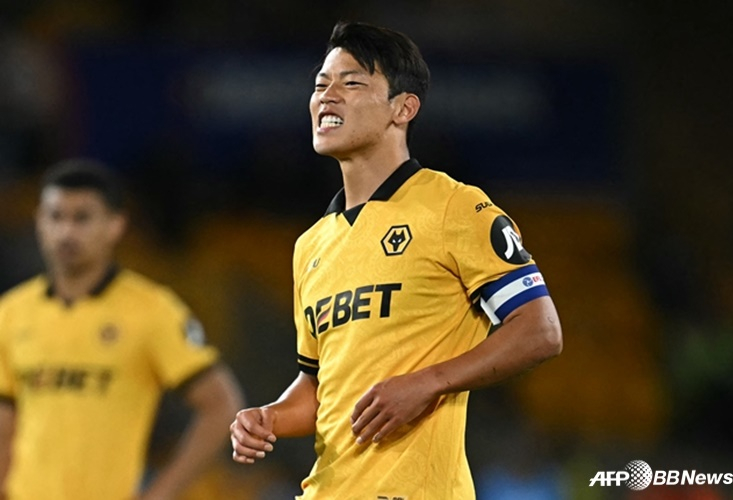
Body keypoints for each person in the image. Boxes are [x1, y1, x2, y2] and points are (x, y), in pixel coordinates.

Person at [230, 21, 563, 499]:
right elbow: (320, 387)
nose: (327, 96)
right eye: (321, 85)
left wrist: (428, 383)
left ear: (403, 108)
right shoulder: (311, 245)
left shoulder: (454, 207)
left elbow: (540, 330)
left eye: (351, 83)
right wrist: (270, 417)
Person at [0, 159, 245, 500]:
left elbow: (221, 404)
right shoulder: (12, 313)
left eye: (82, 218)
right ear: (39, 222)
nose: (66, 232)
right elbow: (6, 418)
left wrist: (160, 493)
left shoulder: (152, 311)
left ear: (115, 225)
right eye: (55, 217)